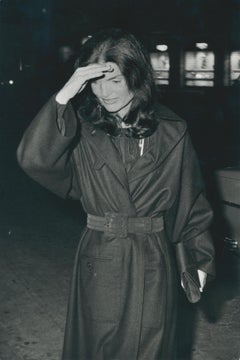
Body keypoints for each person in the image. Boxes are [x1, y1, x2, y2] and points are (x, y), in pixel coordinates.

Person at [17, 28, 215, 359]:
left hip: (155, 259)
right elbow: (33, 160)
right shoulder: (80, 128)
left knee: (152, 348)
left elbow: (191, 202)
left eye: (114, 80)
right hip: (102, 257)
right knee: (100, 349)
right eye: (94, 81)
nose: (104, 92)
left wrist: (201, 259)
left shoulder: (173, 131)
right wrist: (64, 96)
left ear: (136, 78)